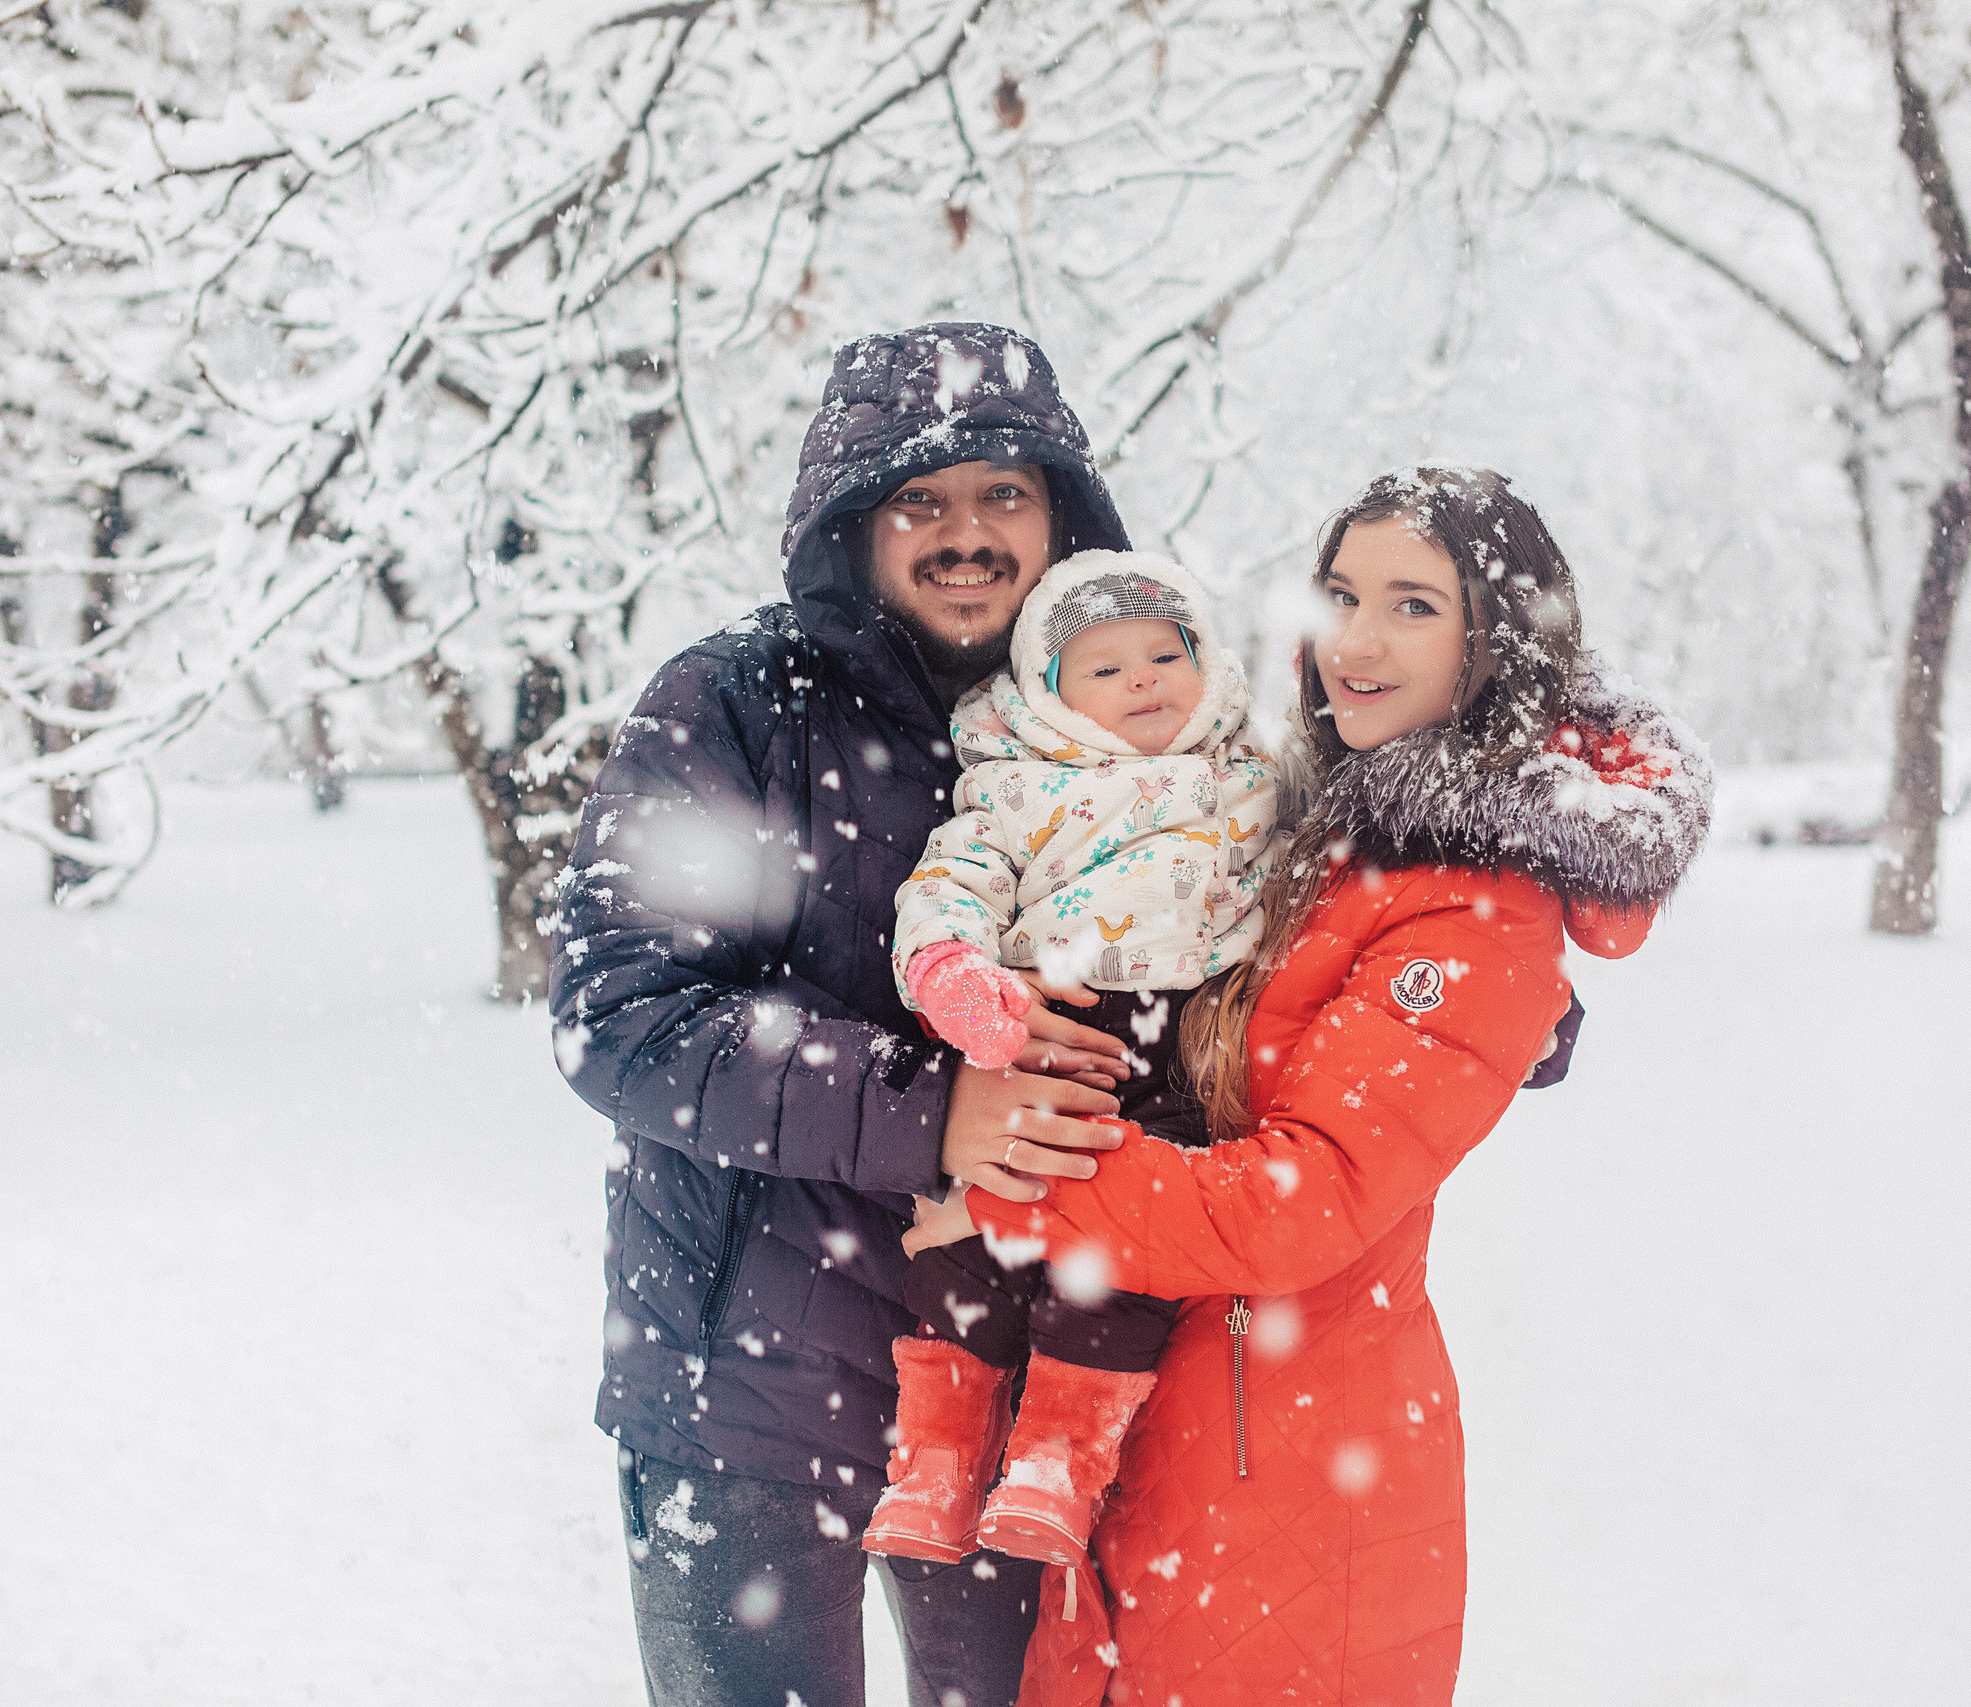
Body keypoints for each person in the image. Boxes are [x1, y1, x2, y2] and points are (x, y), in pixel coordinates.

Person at [941, 465, 1717, 1704]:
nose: (1352, 642)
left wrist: (1008, 1183)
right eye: (1340, 594)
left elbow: (1293, 1205)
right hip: (1173, 1425)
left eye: (1412, 604)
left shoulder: (1473, 904)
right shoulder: (1314, 832)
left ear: (1493, 640)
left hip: (1287, 1478)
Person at [550, 324, 1150, 1707]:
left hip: (999, 1380)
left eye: (1006, 493)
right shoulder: (735, 703)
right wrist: (938, 1110)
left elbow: (1258, 900)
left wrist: (1462, 960)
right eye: (920, 500)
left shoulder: (1124, 715)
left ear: (1062, 516)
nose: (967, 534)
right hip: (743, 1391)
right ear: (852, 523)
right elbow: (620, 1010)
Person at [861, 549, 1277, 1570]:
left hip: (1182, 1058)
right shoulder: (1013, 787)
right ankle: (936, 1460)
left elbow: (1345, 879)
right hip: (1044, 1052)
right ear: (1049, 699)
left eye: (1162, 655)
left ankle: (1058, 1461)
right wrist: (957, 974)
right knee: (974, 1246)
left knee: (1124, 1264)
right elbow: (948, 883)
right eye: (1102, 668)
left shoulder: (1253, 780)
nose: (1141, 680)